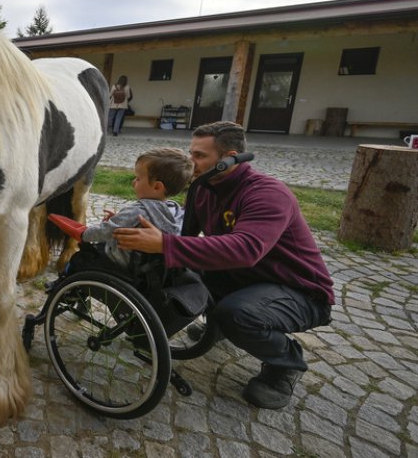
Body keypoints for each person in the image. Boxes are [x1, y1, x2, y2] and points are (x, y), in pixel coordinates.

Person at [113, 121, 334, 410]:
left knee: (237, 314)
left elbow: (246, 249)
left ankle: (285, 362)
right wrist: (130, 224)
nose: (191, 163)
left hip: (298, 290)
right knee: (183, 272)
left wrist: (164, 245)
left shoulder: (267, 194)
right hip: (244, 278)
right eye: (191, 153)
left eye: (200, 156)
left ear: (229, 157)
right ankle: (220, 328)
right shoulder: (202, 190)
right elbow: (185, 237)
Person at [50, 147, 192, 270]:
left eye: (138, 178)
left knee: (80, 259)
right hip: (151, 267)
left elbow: (106, 231)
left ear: (157, 187)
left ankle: (65, 287)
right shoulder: (175, 210)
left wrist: (83, 234)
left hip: (123, 262)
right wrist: (119, 219)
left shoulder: (138, 211)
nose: (133, 182)